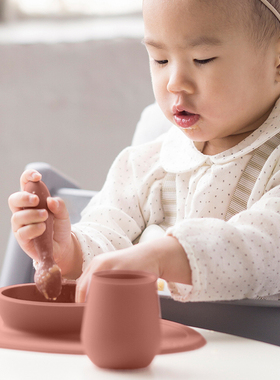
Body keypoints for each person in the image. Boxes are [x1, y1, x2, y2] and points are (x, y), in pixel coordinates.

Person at [8, 0, 280, 303]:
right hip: (147, 345)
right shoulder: (142, 165)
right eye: (160, 60)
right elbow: (107, 232)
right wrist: (68, 252)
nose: (175, 83)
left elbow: (265, 245)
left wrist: (165, 256)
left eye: (202, 59)